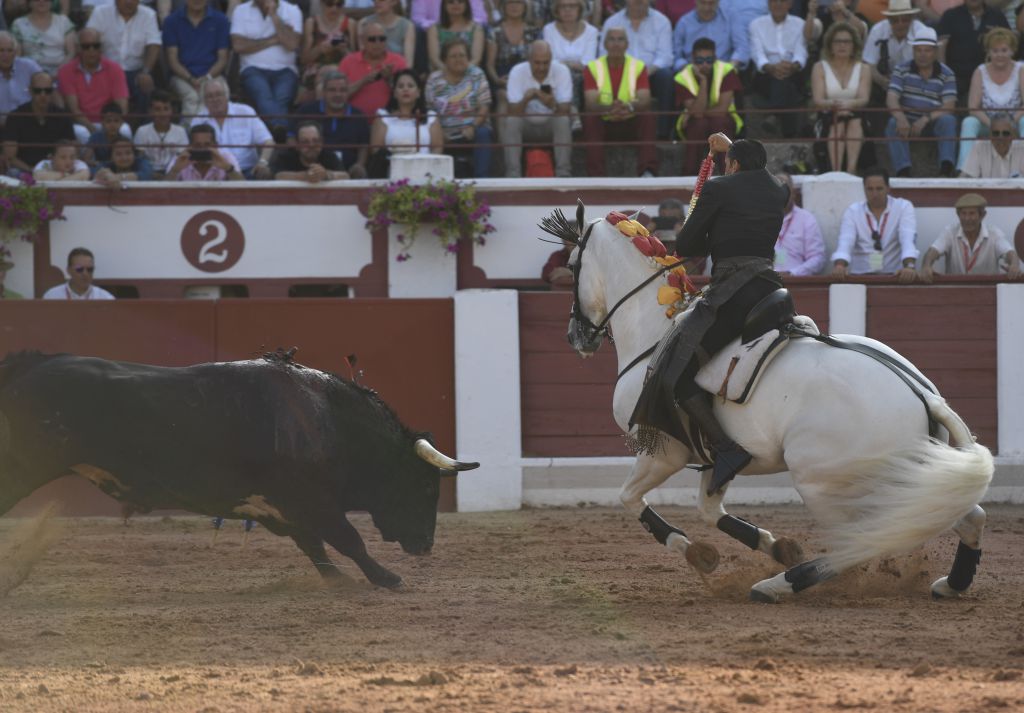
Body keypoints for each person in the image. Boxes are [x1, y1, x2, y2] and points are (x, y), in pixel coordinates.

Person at [631, 134, 790, 496]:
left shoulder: (719, 188)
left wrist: (708, 229)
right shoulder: (779, 190)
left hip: (733, 294)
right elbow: (754, 175)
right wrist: (731, 149)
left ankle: (728, 449)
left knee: (675, 368)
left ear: (731, 165)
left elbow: (687, 246)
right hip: (773, 291)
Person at [582, 28, 658, 177]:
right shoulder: (592, 67)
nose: (616, 44)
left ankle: (647, 172)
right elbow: (590, 103)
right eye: (611, 39)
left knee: (648, 116)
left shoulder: (638, 66)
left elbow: (645, 99)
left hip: (630, 121)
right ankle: (596, 175)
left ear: (627, 44)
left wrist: (628, 107)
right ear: (604, 44)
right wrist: (611, 109)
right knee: (590, 118)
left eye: (620, 39)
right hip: (605, 122)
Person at [884, 26, 956, 178]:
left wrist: (925, 119)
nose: (922, 55)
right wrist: (901, 118)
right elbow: (891, 97)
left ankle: (946, 169)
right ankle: (903, 171)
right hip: (907, 119)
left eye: (927, 50)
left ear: (935, 52)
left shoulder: (947, 73)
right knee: (892, 123)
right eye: (918, 50)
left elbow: (949, 106)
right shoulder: (901, 69)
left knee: (948, 120)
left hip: (933, 120)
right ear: (913, 51)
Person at [601, 0, 675, 140]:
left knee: (666, 76)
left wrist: (643, 73)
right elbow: (603, 54)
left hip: (650, 74)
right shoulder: (612, 22)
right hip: (618, 72)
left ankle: (663, 133)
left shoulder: (662, 21)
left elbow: (665, 57)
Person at [831, 167, 918, 282]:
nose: (875, 194)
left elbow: (907, 238)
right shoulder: (853, 211)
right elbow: (846, 241)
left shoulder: (903, 207)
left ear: (888, 189)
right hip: (860, 277)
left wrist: (909, 266)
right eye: (870, 189)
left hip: (894, 276)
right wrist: (840, 265)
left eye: (879, 189)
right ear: (864, 189)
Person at [955, 28, 1023, 172]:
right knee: (969, 122)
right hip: (988, 122)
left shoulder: (1021, 69)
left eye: (1004, 50)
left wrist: (1010, 124)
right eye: (995, 51)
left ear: (1012, 51)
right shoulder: (980, 71)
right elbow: (973, 107)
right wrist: (993, 125)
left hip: (1014, 122)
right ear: (988, 52)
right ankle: (964, 170)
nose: (1000, 55)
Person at [425, 37, 493, 178]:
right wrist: (439, 132)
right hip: (443, 133)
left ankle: (482, 181)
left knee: (483, 133)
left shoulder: (476, 74)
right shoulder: (434, 79)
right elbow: (430, 110)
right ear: (444, 60)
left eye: (462, 55)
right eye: (453, 56)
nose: (458, 59)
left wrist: (473, 126)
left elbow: (484, 106)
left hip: (472, 130)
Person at [503, 40, 572, 178]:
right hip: (526, 125)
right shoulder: (517, 71)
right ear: (529, 60)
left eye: (546, 63)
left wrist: (552, 104)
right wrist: (527, 98)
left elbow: (565, 109)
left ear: (551, 60)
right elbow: (512, 111)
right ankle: (513, 174)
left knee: (563, 121)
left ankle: (563, 173)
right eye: (537, 62)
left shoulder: (562, 71)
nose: (541, 67)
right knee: (511, 122)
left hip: (550, 125)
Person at [673, 37, 742, 176]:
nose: (704, 64)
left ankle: (728, 174)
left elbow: (722, 110)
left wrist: (696, 112)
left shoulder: (727, 70)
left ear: (715, 58)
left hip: (722, 120)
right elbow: (698, 115)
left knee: (718, 122)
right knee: (699, 123)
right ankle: (690, 175)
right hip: (697, 123)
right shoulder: (682, 77)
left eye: (709, 60)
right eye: (699, 61)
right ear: (692, 59)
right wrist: (703, 81)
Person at [231, 0, 303, 130]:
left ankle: (276, 131)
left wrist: (274, 16)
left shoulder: (293, 10)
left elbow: (292, 44)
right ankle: (281, 131)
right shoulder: (240, 10)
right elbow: (238, 46)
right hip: (252, 69)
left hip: (286, 70)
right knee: (263, 94)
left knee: (281, 97)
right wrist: (275, 39)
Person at [810, 22, 871, 174]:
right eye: (837, 41)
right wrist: (836, 106)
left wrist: (848, 105)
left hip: (855, 113)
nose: (842, 45)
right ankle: (836, 171)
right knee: (837, 123)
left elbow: (864, 99)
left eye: (846, 42)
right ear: (830, 46)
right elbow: (818, 100)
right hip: (827, 114)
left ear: (854, 46)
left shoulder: (864, 68)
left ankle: (851, 170)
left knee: (855, 122)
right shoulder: (819, 67)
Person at [919, 193, 1021, 282]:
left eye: (972, 213)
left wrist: (1014, 265)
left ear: (982, 215)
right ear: (958, 215)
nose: (967, 218)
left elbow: (1010, 253)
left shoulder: (994, 234)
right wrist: (926, 266)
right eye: (963, 214)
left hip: (987, 292)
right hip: (954, 292)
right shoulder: (950, 232)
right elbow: (933, 251)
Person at [86, 0, 161, 119]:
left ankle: (138, 131)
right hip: (104, 70)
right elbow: (89, 41)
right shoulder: (100, 12)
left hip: (134, 71)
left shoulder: (149, 15)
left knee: (146, 87)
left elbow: (154, 45)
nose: (129, 2)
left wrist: (146, 72)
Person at [56, 28, 129, 144]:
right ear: (79, 48)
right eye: (86, 46)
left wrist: (108, 127)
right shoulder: (65, 71)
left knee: (125, 130)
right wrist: (94, 130)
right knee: (81, 133)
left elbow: (122, 108)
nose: (91, 50)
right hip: (82, 123)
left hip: (110, 122)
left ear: (101, 48)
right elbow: (74, 110)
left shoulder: (115, 69)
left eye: (96, 46)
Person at [163, 0, 231, 124]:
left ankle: (218, 136)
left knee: (220, 93)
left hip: (212, 74)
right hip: (181, 76)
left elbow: (222, 59)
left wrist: (206, 78)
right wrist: (190, 79)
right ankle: (192, 136)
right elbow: (172, 60)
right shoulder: (171, 21)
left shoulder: (221, 20)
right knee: (192, 97)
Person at [192, 77, 275, 178]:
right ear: (204, 101)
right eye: (209, 96)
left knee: (265, 173)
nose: (215, 100)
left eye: (219, 94)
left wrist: (262, 162)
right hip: (215, 174)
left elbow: (268, 141)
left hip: (248, 170)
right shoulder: (198, 120)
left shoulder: (245, 112)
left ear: (227, 96)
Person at [292, 69, 369, 178]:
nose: (338, 94)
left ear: (348, 92)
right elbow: (291, 138)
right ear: (323, 92)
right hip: (310, 170)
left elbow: (364, 146)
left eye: (342, 90)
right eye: (332, 90)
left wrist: (360, 164)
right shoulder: (306, 111)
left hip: (348, 173)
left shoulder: (359, 115)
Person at [749, 0, 808, 139]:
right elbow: (757, 53)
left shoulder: (800, 24)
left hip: (793, 71)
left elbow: (801, 52)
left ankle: (774, 116)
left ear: (790, 4)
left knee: (786, 81)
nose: (778, 4)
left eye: (783, 1)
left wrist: (792, 66)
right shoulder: (756, 24)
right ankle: (790, 134)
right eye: (774, 1)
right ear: (768, 3)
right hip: (765, 74)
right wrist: (771, 67)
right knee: (786, 84)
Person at [368, 68, 443, 176]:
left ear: (418, 92)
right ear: (394, 93)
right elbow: (376, 151)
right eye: (400, 86)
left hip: (425, 172)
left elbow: (437, 148)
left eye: (410, 86)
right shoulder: (383, 116)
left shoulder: (431, 117)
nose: (405, 89)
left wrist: (429, 169)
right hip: (392, 172)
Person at [936, 0, 1008, 106]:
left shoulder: (997, 15)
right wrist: (944, 77)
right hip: (957, 78)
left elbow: (1008, 44)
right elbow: (941, 47)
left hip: (989, 78)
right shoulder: (950, 15)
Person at [2, 71, 75, 173]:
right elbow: (10, 157)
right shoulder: (16, 116)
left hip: (57, 170)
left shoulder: (62, 116)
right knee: (13, 172)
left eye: (47, 91)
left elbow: (72, 150)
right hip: (24, 170)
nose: (43, 95)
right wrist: (33, 171)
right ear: (30, 91)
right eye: (38, 91)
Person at [485, 0, 540, 125]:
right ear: (503, 6)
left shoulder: (534, 31)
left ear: (525, 6)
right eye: (510, 2)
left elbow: (539, 60)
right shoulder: (494, 31)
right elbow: (489, 64)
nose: (514, 6)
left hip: (529, 75)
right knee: (504, 96)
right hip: (502, 76)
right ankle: (504, 143)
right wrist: (497, 80)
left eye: (518, 2)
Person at [542, 0, 600, 116]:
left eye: (572, 6)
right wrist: (571, 65)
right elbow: (550, 60)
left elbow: (588, 62)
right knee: (565, 75)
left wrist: (565, 64)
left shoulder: (592, 31)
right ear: (557, 10)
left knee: (572, 76)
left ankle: (572, 111)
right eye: (563, 6)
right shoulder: (548, 29)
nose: (567, 10)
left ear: (580, 9)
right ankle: (574, 113)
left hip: (583, 75)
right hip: (555, 74)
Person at [339, 21, 408, 116]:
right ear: (362, 41)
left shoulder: (399, 61)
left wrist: (389, 80)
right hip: (354, 121)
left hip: (389, 121)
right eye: (372, 39)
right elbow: (338, 96)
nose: (377, 43)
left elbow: (407, 97)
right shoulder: (348, 61)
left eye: (382, 39)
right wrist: (363, 81)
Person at [862, 0, 926, 95]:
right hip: (882, 85)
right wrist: (882, 81)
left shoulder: (922, 32)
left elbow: (927, 66)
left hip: (915, 85)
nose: (900, 24)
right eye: (895, 20)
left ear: (912, 18)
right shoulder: (878, 30)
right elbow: (868, 65)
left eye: (905, 20)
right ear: (888, 19)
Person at [298, 0, 353, 105]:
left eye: (339, 4)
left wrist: (343, 49)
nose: (334, 8)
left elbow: (355, 59)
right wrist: (320, 48)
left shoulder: (350, 24)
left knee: (330, 74)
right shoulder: (312, 23)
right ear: (321, 4)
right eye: (329, 4)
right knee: (325, 77)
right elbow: (303, 59)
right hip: (315, 70)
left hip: (342, 69)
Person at [672, 0, 748, 73]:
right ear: (695, 1)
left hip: (724, 70)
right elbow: (676, 56)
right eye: (703, 2)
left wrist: (730, 68)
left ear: (718, 2)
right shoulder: (684, 23)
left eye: (711, 3)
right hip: (692, 71)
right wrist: (688, 69)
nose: (706, 8)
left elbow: (742, 47)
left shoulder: (731, 17)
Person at [773, 173, 825, 275]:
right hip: (766, 283)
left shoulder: (806, 219)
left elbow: (818, 258)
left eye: (785, 188)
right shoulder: (759, 218)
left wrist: (792, 273)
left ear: (794, 193)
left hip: (796, 283)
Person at [11, 0, 75, 76]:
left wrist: (60, 72)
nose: (41, 1)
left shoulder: (64, 21)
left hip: (61, 71)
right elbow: (17, 56)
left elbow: (71, 53)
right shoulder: (18, 24)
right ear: (29, 2)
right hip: (29, 72)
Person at [133, 89, 189, 176]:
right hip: (149, 174)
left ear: (171, 111)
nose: (162, 113)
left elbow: (182, 158)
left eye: (166, 109)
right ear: (150, 111)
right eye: (157, 109)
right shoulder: (142, 131)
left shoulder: (180, 131)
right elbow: (139, 159)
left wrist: (171, 173)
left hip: (174, 173)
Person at [272, 120, 349, 180]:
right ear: (297, 145)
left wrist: (326, 175)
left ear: (321, 142)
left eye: (315, 141)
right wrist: (305, 176)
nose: (311, 145)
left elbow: (345, 176)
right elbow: (278, 176)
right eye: (305, 142)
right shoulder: (286, 157)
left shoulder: (330, 156)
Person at [165, 123, 245, 180]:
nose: (202, 149)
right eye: (197, 145)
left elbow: (243, 186)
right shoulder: (181, 158)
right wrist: (175, 170)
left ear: (216, 146)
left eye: (207, 145)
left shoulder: (226, 157)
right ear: (190, 146)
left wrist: (227, 168)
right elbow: (163, 189)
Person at [960, 113, 1024, 178]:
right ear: (990, 134)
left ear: (1013, 135)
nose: (1000, 138)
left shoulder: (1022, 148)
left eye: (1005, 133)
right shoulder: (979, 147)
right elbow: (966, 177)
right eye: (996, 133)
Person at [426, 0, 485, 71]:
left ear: (466, 5)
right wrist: (450, 73)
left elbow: (476, 59)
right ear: (444, 5)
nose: (456, 4)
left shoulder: (476, 29)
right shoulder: (434, 29)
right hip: (443, 73)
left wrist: (461, 72)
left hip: (469, 73)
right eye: (451, 2)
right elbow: (434, 59)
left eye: (460, 1)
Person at [0, 31, 42, 125]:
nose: (5, 55)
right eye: (1, 50)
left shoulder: (29, 66)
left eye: (9, 50)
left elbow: (47, 87)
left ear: (15, 53)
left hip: (28, 125)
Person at [42, 247, 115, 299]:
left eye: (90, 269)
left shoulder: (105, 298)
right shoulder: (52, 296)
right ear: (68, 270)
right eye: (79, 269)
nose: (85, 274)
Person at [357, 0, 415, 66]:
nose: (376, 1)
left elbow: (408, 63)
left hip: (398, 71)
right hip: (371, 71)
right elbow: (362, 57)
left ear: (394, 2)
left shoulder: (407, 26)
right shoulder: (364, 23)